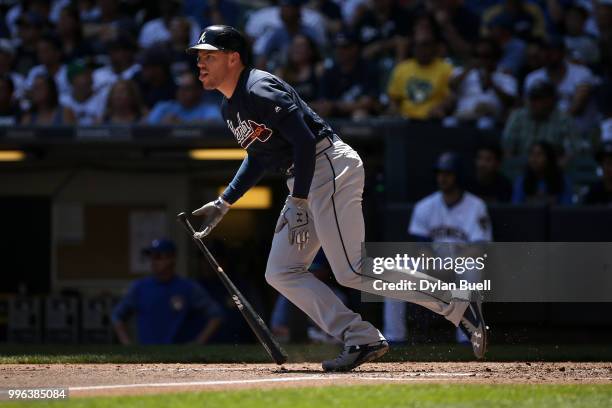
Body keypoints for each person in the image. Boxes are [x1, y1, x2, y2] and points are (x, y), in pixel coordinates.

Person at [187, 25, 487, 372]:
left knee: (352, 269)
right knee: (281, 271)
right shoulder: (230, 106)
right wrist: (225, 202)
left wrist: (298, 202)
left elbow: (302, 141)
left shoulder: (258, 87)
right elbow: (260, 156)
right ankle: (361, 337)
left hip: (326, 165)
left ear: (233, 57)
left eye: (208, 56)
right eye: (199, 57)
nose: (200, 63)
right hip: (305, 176)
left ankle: (457, 305)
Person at [384, 152, 493, 345]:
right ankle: (394, 337)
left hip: (461, 262)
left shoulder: (476, 206)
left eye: (448, 173)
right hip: (433, 261)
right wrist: (434, 266)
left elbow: (479, 247)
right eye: (440, 173)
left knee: (472, 268)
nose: (442, 177)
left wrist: (451, 265)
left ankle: (467, 337)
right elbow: (422, 245)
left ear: (458, 175)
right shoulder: (424, 206)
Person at [112, 238, 224, 345]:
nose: (153, 261)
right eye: (152, 257)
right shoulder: (139, 287)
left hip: (179, 355)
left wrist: (198, 343)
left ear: (171, 259)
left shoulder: (188, 287)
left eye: (158, 257)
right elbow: (117, 315)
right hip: (146, 352)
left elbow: (216, 315)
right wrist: (127, 343)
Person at [387, 29, 454, 121]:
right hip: (406, 121)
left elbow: (451, 97)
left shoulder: (446, 69)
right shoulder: (402, 69)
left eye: (426, 45)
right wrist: (394, 112)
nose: (422, 49)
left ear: (434, 46)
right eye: (417, 45)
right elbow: (394, 98)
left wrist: (441, 108)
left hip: (433, 121)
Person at [503, 80, 578, 157]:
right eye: (532, 99)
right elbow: (507, 147)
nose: (534, 103)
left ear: (551, 100)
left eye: (539, 99)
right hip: (521, 165)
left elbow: (575, 149)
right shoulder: (517, 116)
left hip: (554, 166)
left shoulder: (564, 119)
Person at [147, 71, 221, 124]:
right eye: (180, 88)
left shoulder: (209, 109)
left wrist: (180, 124)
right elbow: (147, 127)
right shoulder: (164, 107)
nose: (182, 92)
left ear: (199, 91)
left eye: (187, 88)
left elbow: (215, 123)